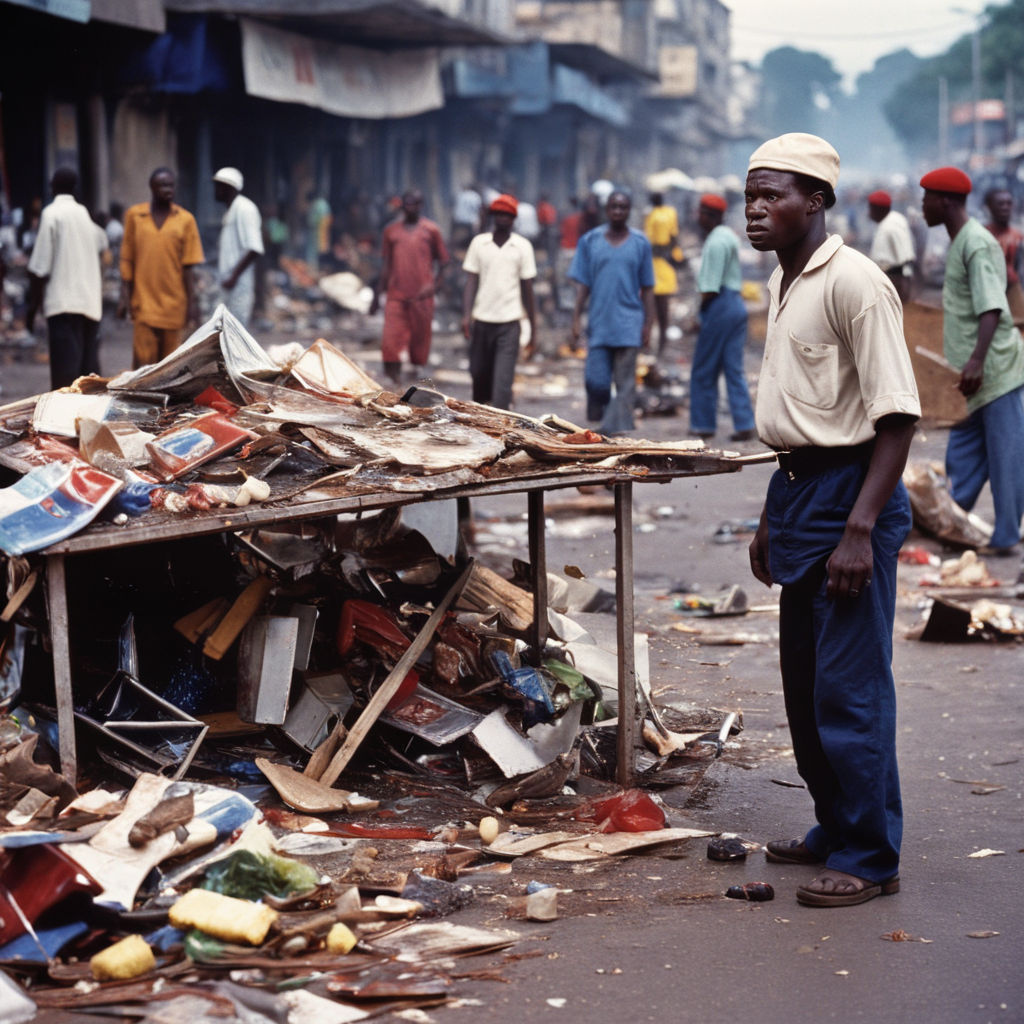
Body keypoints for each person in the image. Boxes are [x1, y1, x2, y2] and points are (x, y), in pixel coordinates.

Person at [745, 133, 920, 907]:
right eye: (750, 193)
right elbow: (797, 414)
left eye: (772, 194)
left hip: (853, 494)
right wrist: (768, 518)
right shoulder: (784, 281)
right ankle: (833, 822)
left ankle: (869, 854)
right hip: (799, 492)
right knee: (804, 681)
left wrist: (860, 529)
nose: (756, 208)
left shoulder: (857, 283)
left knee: (849, 689)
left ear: (815, 201)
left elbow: (897, 417)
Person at [921, 166, 1024, 557]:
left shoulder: (976, 244)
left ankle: (1007, 535)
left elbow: (991, 306)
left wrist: (978, 360)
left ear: (945, 201)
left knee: (1007, 456)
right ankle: (952, 519)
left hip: (995, 370)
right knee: (964, 450)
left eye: (927, 197)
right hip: (970, 374)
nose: (922, 205)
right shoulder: (961, 240)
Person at [569, 190, 654, 434]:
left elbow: (647, 287)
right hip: (599, 322)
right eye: (614, 207)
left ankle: (616, 432)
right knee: (596, 380)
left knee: (625, 383)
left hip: (629, 323)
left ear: (629, 211)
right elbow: (583, 284)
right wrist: (575, 318)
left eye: (623, 207)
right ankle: (600, 413)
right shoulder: (590, 241)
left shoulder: (640, 243)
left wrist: (648, 324)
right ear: (607, 210)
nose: (618, 211)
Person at [25, 167, 108, 389]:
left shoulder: (51, 214)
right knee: (87, 372)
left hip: (62, 304)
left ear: (52, 187)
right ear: (74, 188)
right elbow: (102, 241)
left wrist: (32, 309)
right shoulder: (83, 214)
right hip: (89, 303)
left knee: (64, 374)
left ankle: (63, 420)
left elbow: (39, 267)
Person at [118, 167, 204, 369]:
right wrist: (125, 297)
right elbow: (127, 259)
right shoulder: (135, 216)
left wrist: (192, 304)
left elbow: (189, 266)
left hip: (174, 305)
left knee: (170, 368)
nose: (168, 189)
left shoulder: (185, 220)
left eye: (171, 185)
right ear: (152, 187)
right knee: (143, 368)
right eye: (162, 185)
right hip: (143, 303)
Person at [461, 193, 538, 409]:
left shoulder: (522, 247)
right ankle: (480, 423)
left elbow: (528, 291)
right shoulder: (479, 243)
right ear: (493, 216)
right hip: (482, 320)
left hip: (509, 323)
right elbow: (471, 282)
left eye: (508, 215)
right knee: (478, 375)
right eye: (499, 214)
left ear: (514, 219)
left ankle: (502, 427)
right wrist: (466, 315)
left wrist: (533, 328)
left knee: (502, 383)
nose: (503, 219)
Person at [690, 193, 755, 442]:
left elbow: (709, 286)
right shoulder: (728, 235)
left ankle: (703, 425)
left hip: (719, 305)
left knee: (703, 369)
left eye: (701, 213)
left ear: (710, 216)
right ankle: (744, 423)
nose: (698, 218)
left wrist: (699, 315)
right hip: (735, 304)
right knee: (733, 369)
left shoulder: (715, 242)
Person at [372, 188, 449, 384]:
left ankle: (415, 372)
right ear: (402, 206)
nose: (410, 208)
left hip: (422, 295)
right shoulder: (391, 231)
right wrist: (376, 295)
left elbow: (444, 262)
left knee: (419, 338)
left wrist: (435, 285)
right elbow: (386, 264)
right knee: (391, 337)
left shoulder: (431, 231)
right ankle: (392, 377)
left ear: (421, 206)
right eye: (407, 203)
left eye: (415, 204)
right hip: (396, 293)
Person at [212, 167, 264, 327]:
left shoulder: (245, 208)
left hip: (238, 284)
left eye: (219, 186)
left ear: (230, 187)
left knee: (236, 332)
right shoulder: (230, 210)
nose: (216, 190)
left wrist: (234, 276)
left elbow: (255, 248)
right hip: (228, 282)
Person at [643, 192, 680, 353]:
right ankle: (657, 343)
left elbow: (648, 240)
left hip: (658, 264)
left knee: (652, 309)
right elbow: (674, 237)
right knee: (658, 309)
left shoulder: (652, 216)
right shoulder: (669, 213)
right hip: (661, 264)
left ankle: (655, 344)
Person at [983, 187, 1024, 327]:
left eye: (1008, 203)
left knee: (1018, 324)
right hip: (988, 290)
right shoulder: (982, 235)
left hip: (1013, 288)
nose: (1005, 207)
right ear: (989, 206)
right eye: (1000, 204)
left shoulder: (1018, 236)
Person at [866, 190, 915, 303]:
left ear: (879, 209)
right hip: (889, 276)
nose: (869, 213)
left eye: (871, 209)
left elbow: (905, 257)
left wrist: (902, 282)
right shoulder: (888, 221)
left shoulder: (892, 225)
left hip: (895, 278)